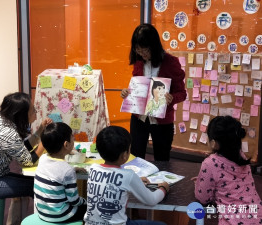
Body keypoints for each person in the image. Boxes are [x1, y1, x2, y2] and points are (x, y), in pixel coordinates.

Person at [0, 92, 51, 224]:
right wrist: (46, 141)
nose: (36, 111)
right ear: (21, 115)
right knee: (36, 185)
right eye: (33, 110)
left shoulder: (1, 120)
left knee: (31, 181)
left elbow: (20, 148)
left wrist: (40, 130)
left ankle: (17, 221)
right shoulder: (7, 133)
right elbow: (27, 161)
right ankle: (48, 219)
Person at [121, 24, 186, 161]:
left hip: (161, 120)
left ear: (154, 46)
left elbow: (182, 93)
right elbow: (136, 84)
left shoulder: (171, 62)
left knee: (162, 159)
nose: (142, 54)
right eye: (138, 50)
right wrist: (127, 93)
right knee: (136, 157)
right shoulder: (139, 61)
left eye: (145, 50)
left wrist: (172, 98)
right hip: (139, 118)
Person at [84, 126, 169, 225]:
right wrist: (163, 188)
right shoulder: (129, 176)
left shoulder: (93, 168)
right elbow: (151, 200)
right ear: (125, 155)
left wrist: (136, 181)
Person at [194, 116, 262, 224]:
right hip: (257, 216)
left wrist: (200, 183)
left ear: (214, 143)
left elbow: (203, 198)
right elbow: (231, 183)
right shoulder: (242, 157)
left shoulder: (210, 163)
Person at [34, 122, 87, 223]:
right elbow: (74, 201)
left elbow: (56, 171)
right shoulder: (67, 171)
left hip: (42, 212)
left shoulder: (43, 158)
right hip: (61, 215)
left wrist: (71, 169)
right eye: (72, 137)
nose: (74, 139)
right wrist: (85, 201)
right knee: (91, 209)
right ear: (66, 145)